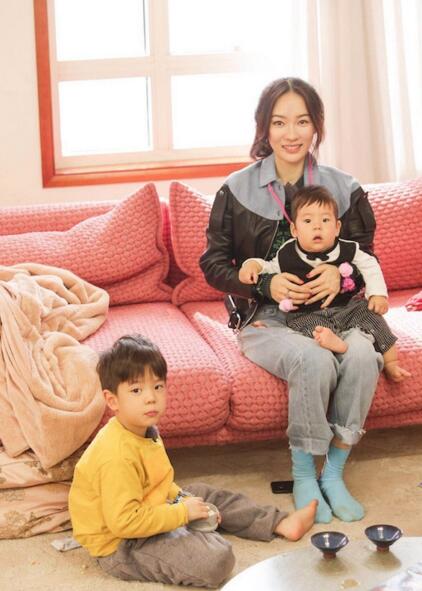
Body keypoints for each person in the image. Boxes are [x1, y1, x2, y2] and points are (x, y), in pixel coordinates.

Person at [199, 77, 387, 524]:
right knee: (313, 359)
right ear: (264, 128)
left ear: (316, 126)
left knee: (365, 355)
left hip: (337, 314)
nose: (291, 133)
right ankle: (304, 474)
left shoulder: (345, 187)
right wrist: (265, 286)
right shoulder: (236, 188)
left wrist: (339, 275)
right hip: (266, 318)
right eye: (279, 122)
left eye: (302, 121)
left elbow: (366, 257)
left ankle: (334, 472)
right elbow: (213, 265)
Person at [68, 334, 317, 589]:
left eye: (158, 386)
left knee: (205, 494)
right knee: (216, 560)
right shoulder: (116, 455)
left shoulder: (145, 430)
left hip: (150, 506)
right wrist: (183, 513)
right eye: (136, 390)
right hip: (121, 544)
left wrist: (181, 499)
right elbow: (125, 523)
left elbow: (158, 483)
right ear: (112, 400)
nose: (150, 397)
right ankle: (193, 534)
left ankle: (280, 523)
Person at [239, 185, 410, 383]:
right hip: (307, 312)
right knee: (306, 329)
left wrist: (377, 294)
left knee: (374, 317)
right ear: (294, 230)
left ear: (337, 227)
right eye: (308, 221)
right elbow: (270, 267)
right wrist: (252, 265)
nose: (317, 227)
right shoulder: (286, 253)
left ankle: (391, 362)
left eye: (325, 220)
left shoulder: (348, 248)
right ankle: (337, 344)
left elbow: (370, 264)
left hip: (347, 307)